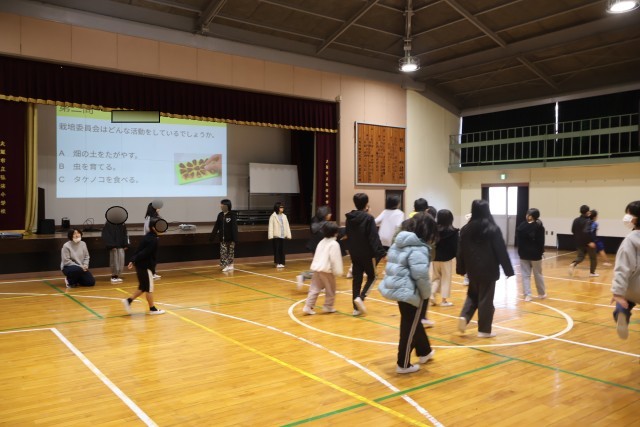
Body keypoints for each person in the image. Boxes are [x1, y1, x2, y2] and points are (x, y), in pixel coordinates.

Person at [378, 213, 437, 374]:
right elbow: (420, 275)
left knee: (411, 322)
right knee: (409, 327)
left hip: (399, 288)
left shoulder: (400, 241)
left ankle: (424, 351)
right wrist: (426, 293)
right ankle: (403, 364)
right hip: (411, 291)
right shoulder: (419, 247)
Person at [456, 199, 514, 338]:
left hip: (472, 269)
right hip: (489, 269)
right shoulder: (492, 229)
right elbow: (501, 250)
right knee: (486, 299)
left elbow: (460, 251)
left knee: (472, 294)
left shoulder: (465, 230)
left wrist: (461, 268)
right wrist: (508, 270)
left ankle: (464, 316)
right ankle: (484, 330)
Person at [345, 193, 386, 316]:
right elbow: (374, 238)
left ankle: (356, 308)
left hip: (354, 253)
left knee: (357, 279)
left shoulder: (349, 218)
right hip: (367, 254)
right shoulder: (368, 218)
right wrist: (381, 253)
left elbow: (348, 235)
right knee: (372, 277)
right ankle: (361, 298)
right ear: (366, 204)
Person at [122, 217, 166, 315]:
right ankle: (152, 309)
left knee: (143, 287)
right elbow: (144, 253)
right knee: (149, 289)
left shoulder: (147, 237)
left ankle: (128, 301)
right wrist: (134, 260)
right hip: (145, 267)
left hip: (140, 265)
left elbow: (139, 250)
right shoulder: (153, 239)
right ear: (153, 227)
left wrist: (133, 260)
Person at [610, 200, 640, 340]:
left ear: (635, 219)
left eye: (628, 214)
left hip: (634, 287)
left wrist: (617, 292)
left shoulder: (630, 240)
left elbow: (622, 268)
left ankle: (622, 312)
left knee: (624, 299)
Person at [302, 222, 344, 315]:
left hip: (317, 269)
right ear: (335, 232)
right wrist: (338, 271)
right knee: (330, 289)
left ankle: (308, 306)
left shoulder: (321, 242)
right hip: (327, 270)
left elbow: (317, 256)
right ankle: (328, 306)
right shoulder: (334, 244)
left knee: (314, 288)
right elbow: (335, 259)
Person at [297, 205, 332, 289]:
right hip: (320, 248)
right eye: (329, 213)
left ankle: (322, 285)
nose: (331, 215)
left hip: (314, 247)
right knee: (322, 268)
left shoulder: (315, 222)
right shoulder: (325, 225)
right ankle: (304, 276)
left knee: (321, 268)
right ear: (325, 215)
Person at [516, 208, 546, 301]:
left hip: (523, 254)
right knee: (538, 274)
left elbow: (519, 241)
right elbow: (541, 242)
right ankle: (541, 294)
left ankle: (527, 295)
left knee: (525, 275)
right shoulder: (539, 226)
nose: (526, 215)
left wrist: (520, 251)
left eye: (527, 214)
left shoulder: (521, 226)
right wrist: (541, 252)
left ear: (530, 216)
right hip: (536, 255)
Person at [430, 209, 458, 307]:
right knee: (446, 278)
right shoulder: (453, 232)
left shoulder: (434, 230)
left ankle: (431, 294)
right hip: (447, 259)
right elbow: (456, 246)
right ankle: (444, 301)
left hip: (435, 258)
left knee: (435, 277)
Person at [569, 204, 598, 277]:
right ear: (587, 212)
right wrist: (589, 242)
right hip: (588, 243)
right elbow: (586, 232)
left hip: (579, 242)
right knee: (593, 258)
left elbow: (572, 230)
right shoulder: (588, 221)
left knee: (580, 257)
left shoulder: (575, 220)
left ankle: (573, 263)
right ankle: (592, 273)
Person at [211, 199, 238, 272]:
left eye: (222, 205)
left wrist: (235, 238)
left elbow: (234, 227)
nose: (221, 206)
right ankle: (226, 265)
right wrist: (212, 236)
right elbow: (216, 226)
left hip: (231, 238)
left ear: (227, 206)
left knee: (231, 252)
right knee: (223, 252)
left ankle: (231, 265)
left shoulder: (232, 215)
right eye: (221, 205)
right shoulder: (220, 215)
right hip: (222, 238)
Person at [101, 219, 129, 283]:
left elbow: (125, 234)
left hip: (121, 246)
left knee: (121, 262)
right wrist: (111, 245)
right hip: (114, 247)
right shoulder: (108, 223)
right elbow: (106, 235)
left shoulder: (122, 223)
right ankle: (114, 276)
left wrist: (126, 244)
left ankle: (118, 275)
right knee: (114, 261)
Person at [268, 201, 292, 268]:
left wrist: (288, 235)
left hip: (283, 235)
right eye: (281, 207)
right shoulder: (273, 216)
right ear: (277, 208)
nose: (282, 209)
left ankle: (282, 262)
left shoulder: (284, 216)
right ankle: (277, 263)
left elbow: (287, 226)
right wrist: (270, 235)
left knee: (282, 249)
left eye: (282, 207)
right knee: (277, 250)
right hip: (276, 236)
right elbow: (270, 226)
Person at [143, 202, 162, 280]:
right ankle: (150, 273)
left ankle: (153, 272)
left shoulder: (154, 216)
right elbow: (148, 229)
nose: (159, 208)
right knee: (150, 258)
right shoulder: (149, 218)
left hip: (154, 238)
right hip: (150, 239)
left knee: (153, 257)